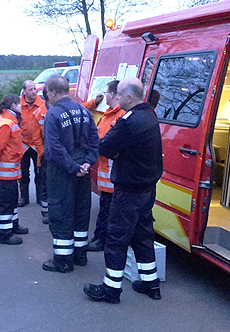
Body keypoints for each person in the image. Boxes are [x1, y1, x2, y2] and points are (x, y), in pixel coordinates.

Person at [83, 77, 163, 304]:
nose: (115, 98)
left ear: (129, 97)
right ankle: (151, 284)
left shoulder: (128, 121)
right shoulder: (149, 115)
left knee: (116, 239)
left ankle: (111, 289)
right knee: (143, 236)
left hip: (128, 190)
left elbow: (106, 147)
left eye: (118, 94)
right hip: (147, 189)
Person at [42, 74, 99, 273]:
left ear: (53, 92)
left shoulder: (53, 114)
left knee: (60, 214)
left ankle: (63, 260)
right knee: (81, 212)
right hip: (83, 172)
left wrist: (73, 168)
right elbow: (95, 141)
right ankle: (80, 255)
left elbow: (54, 148)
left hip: (62, 173)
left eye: (47, 92)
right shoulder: (85, 111)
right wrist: (86, 164)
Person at [88, 80, 126, 252]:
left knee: (109, 212)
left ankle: (102, 241)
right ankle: (99, 237)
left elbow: (111, 144)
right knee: (104, 209)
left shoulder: (120, 116)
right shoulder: (108, 114)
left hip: (113, 175)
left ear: (112, 95)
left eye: (106, 93)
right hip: (105, 174)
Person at [0, 94, 29, 245]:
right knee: (7, 201)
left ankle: (13, 225)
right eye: (19, 104)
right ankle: (5, 233)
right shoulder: (7, 123)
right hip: (7, 172)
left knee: (12, 199)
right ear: (13, 106)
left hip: (11, 170)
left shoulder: (8, 120)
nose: (21, 107)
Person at [18, 80, 45, 207]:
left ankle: (41, 197)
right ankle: (24, 197)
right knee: (23, 173)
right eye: (30, 89)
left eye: (35, 89)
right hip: (23, 145)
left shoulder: (42, 104)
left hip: (37, 144)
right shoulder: (18, 105)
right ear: (24, 91)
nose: (34, 92)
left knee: (39, 173)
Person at [33, 85, 50, 224]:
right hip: (46, 155)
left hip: (57, 155)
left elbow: (81, 106)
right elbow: (36, 137)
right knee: (45, 183)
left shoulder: (59, 109)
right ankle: (45, 211)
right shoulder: (39, 112)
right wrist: (42, 152)